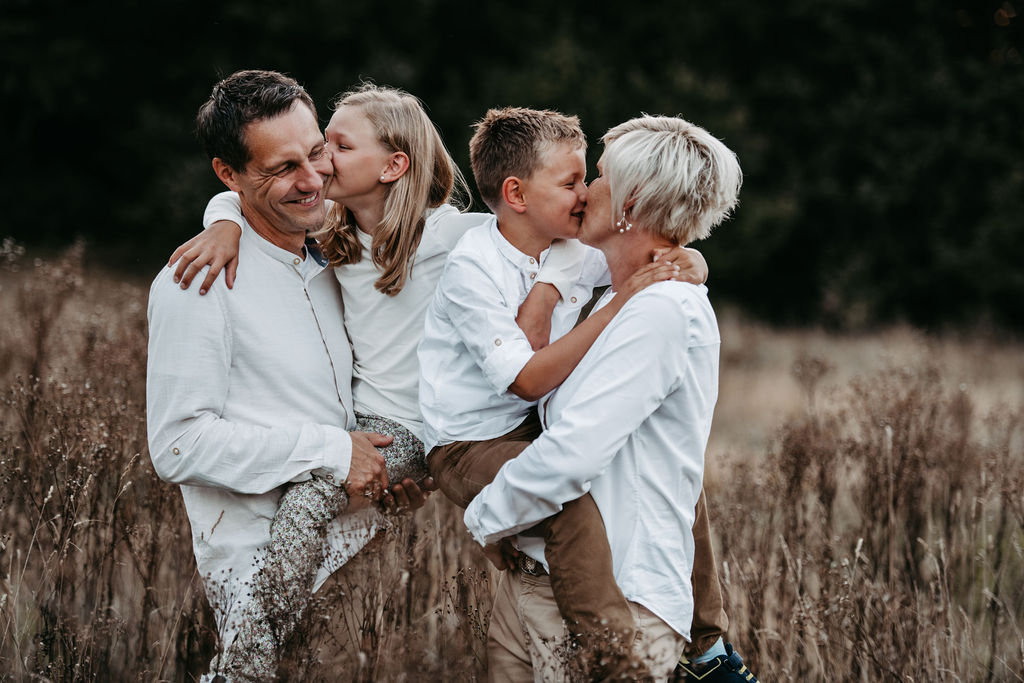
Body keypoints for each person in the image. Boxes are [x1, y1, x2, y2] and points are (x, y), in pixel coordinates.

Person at [165, 82, 599, 681]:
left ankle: (243, 666)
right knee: (320, 497)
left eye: (331, 148)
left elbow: (554, 232)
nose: (319, 170)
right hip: (367, 433)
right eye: (312, 154)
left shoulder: (453, 237)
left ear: (395, 164)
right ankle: (251, 658)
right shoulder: (332, 237)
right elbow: (246, 199)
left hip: (424, 429)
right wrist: (222, 220)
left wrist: (551, 291)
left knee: (314, 496)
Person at [462, 114, 751, 681]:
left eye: (597, 176)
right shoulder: (602, 299)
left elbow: (575, 451)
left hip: (620, 596)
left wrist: (485, 518)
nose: (584, 189)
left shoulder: (666, 309)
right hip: (534, 581)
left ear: (633, 199)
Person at [147, 70, 407, 681]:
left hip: (359, 556)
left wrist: (383, 472)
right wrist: (331, 450)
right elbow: (178, 444)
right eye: (282, 168)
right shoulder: (199, 283)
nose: (313, 179)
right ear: (228, 175)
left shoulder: (336, 263)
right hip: (262, 577)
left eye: (316, 152)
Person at [419, 106, 690, 677]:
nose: (585, 194)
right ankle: (616, 659)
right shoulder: (474, 268)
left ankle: (708, 641)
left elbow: (657, 257)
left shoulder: (571, 248)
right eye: (570, 182)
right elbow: (527, 378)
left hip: (530, 429)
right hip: (470, 444)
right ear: (516, 194)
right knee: (567, 506)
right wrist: (619, 305)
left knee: (675, 476)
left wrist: (688, 260)